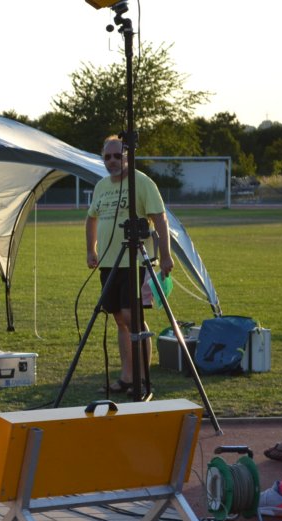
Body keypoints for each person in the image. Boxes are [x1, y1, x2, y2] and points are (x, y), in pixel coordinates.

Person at [85, 135, 173, 394]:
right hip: (108, 263)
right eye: (107, 157)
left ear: (127, 156)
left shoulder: (141, 182)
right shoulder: (101, 186)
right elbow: (91, 218)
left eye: (117, 155)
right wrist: (91, 249)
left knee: (131, 317)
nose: (112, 161)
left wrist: (165, 255)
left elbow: (161, 219)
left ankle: (142, 378)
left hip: (134, 262)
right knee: (118, 319)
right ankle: (126, 377)